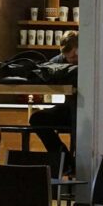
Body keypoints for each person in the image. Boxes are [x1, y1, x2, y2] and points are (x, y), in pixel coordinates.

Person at [29, 31, 77, 171]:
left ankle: (75, 164)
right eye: (67, 57)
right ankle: (64, 158)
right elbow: (43, 70)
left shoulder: (90, 59)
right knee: (37, 118)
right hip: (69, 109)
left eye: (74, 56)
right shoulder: (59, 60)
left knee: (79, 125)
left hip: (86, 111)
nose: (71, 60)